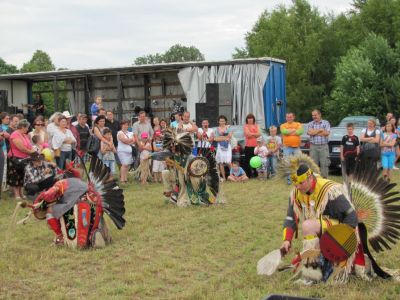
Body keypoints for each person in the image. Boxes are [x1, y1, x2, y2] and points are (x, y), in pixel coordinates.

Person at [7, 119, 36, 199]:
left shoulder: (24, 135)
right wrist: (31, 152)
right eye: (27, 127)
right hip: (15, 158)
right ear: (22, 127)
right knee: (15, 176)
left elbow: (30, 146)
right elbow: (21, 148)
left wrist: (34, 151)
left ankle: (21, 193)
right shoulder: (15, 134)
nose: (28, 129)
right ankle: (16, 194)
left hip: (24, 158)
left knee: (23, 176)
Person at [307, 110, 331, 178]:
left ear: (319, 115)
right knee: (313, 164)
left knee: (324, 164)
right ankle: (314, 181)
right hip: (313, 147)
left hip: (324, 146)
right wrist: (320, 130)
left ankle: (324, 180)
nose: (314, 117)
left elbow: (326, 133)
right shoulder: (310, 123)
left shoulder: (326, 123)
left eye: (315, 115)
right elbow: (310, 133)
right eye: (313, 115)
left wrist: (314, 132)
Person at [214, 115, 232, 182]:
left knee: (229, 162)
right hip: (220, 147)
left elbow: (229, 137)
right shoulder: (216, 129)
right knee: (221, 163)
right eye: (220, 121)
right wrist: (224, 138)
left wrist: (221, 137)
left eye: (223, 121)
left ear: (225, 121)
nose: (222, 122)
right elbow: (215, 139)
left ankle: (232, 176)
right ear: (218, 122)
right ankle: (224, 178)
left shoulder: (228, 128)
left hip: (228, 146)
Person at [243, 113, 261, 178]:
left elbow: (259, 134)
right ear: (247, 120)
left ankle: (256, 174)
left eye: (251, 118)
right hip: (248, 146)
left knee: (256, 160)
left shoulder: (257, 125)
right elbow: (248, 135)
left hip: (256, 146)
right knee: (248, 161)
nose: (250, 120)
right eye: (249, 118)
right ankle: (248, 175)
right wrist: (255, 134)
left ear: (253, 119)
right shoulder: (245, 126)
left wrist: (251, 134)